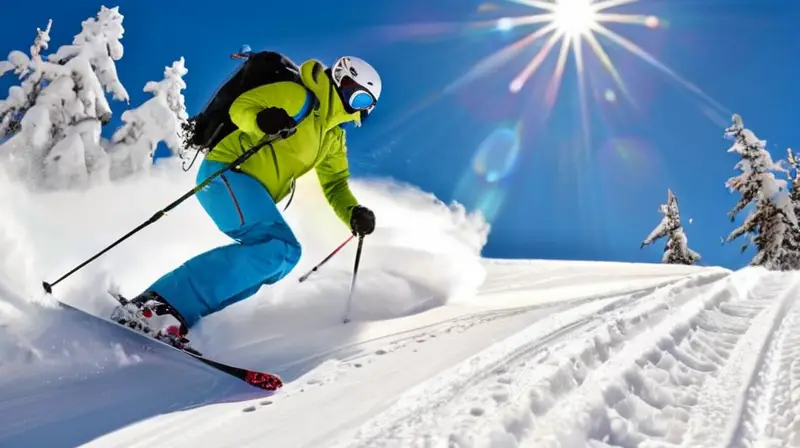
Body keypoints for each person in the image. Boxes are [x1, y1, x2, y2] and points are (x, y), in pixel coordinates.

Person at [110, 55, 381, 350]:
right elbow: (242, 108)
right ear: (341, 80)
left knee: (279, 258)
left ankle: (175, 314)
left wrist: (353, 212)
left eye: (364, 104)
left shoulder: (332, 140)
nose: (356, 108)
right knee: (281, 247)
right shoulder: (299, 96)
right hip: (227, 172)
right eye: (356, 96)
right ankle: (159, 304)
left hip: (254, 191)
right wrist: (263, 119)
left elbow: (335, 184)